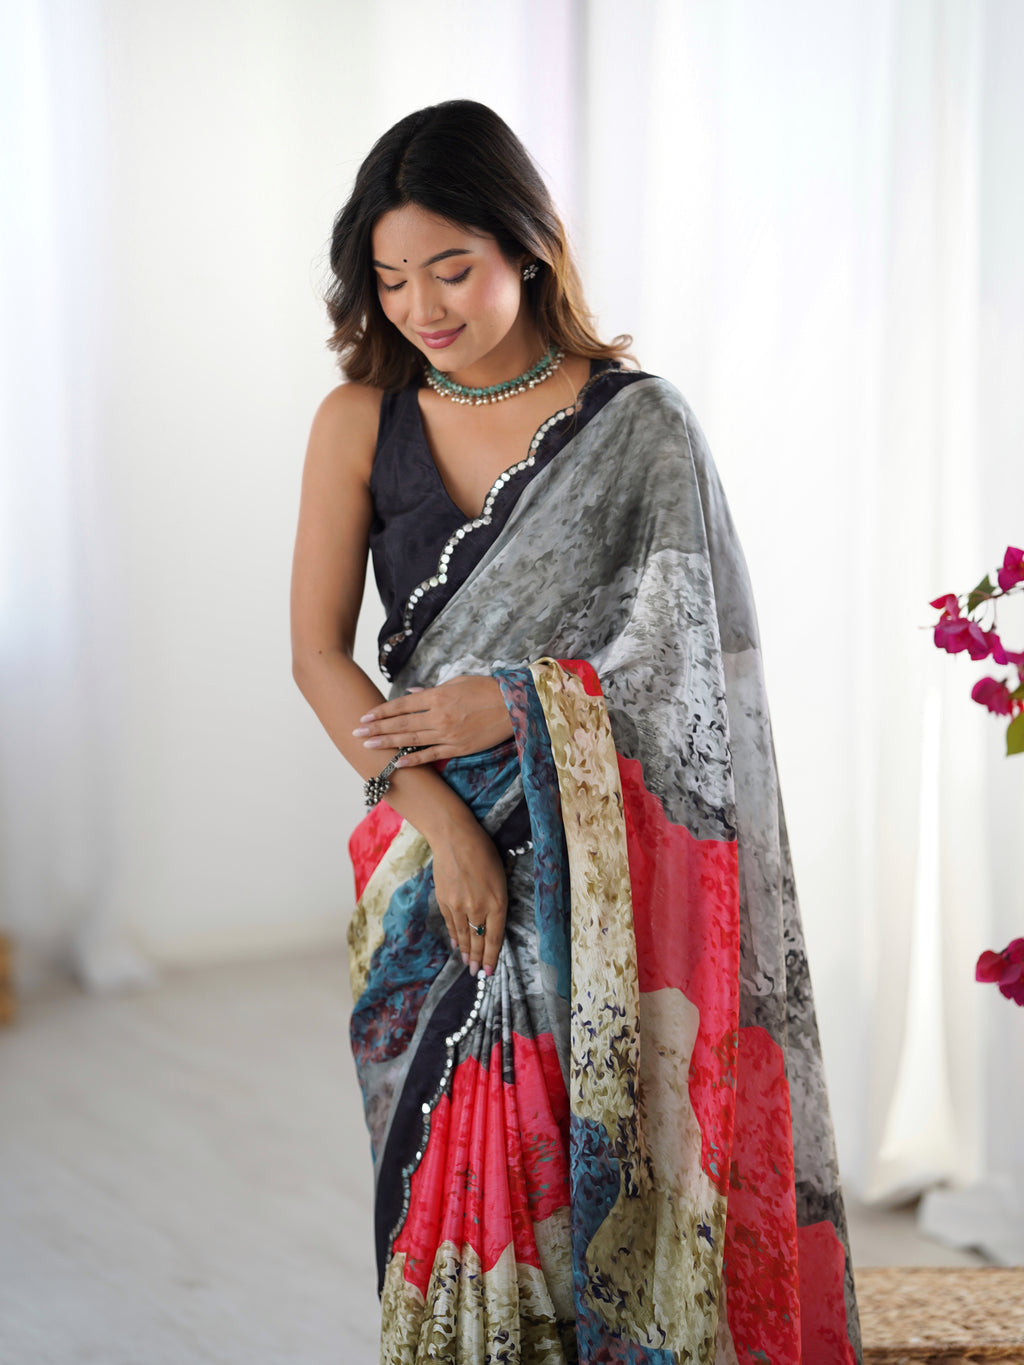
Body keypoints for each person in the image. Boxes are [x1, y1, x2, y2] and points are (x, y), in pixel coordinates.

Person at [291, 100, 861, 1365]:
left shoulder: (638, 428)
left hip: (606, 875)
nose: (421, 307)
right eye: (389, 279)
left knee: (596, 1178)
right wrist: (436, 817)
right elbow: (316, 654)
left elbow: (694, 663)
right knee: (450, 1175)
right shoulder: (356, 420)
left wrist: (521, 700)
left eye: (452, 268)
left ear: (528, 244)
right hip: (422, 857)